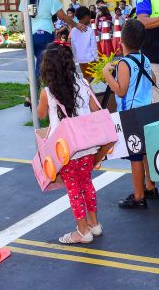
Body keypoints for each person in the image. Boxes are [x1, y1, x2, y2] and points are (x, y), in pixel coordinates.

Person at [36, 42, 111, 244]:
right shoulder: (83, 84)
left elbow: (40, 114)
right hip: (87, 147)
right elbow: (96, 110)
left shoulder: (48, 92)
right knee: (86, 182)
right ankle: (94, 224)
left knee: (74, 189)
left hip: (65, 151)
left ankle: (82, 230)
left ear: (48, 68)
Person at [102, 19, 159, 209]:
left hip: (131, 115)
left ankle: (138, 196)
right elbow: (152, 78)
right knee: (144, 151)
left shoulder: (124, 64)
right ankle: (150, 185)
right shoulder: (145, 59)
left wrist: (107, 74)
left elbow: (120, 90)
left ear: (122, 41)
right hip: (147, 111)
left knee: (135, 156)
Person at [22, 0, 85, 82]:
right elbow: (63, 17)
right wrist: (76, 24)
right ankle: (33, 95)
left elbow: (25, 19)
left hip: (31, 35)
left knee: (40, 62)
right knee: (42, 64)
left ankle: (37, 92)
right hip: (45, 34)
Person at [70, 6, 98, 82]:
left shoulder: (73, 31)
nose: (90, 19)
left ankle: (87, 91)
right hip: (90, 59)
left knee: (86, 77)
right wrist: (97, 58)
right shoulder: (90, 31)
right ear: (86, 17)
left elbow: (73, 46)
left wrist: (75, 57)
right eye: (89, 17)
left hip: (80, 59)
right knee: (92, 77)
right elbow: (94, 47)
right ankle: (85, 90)